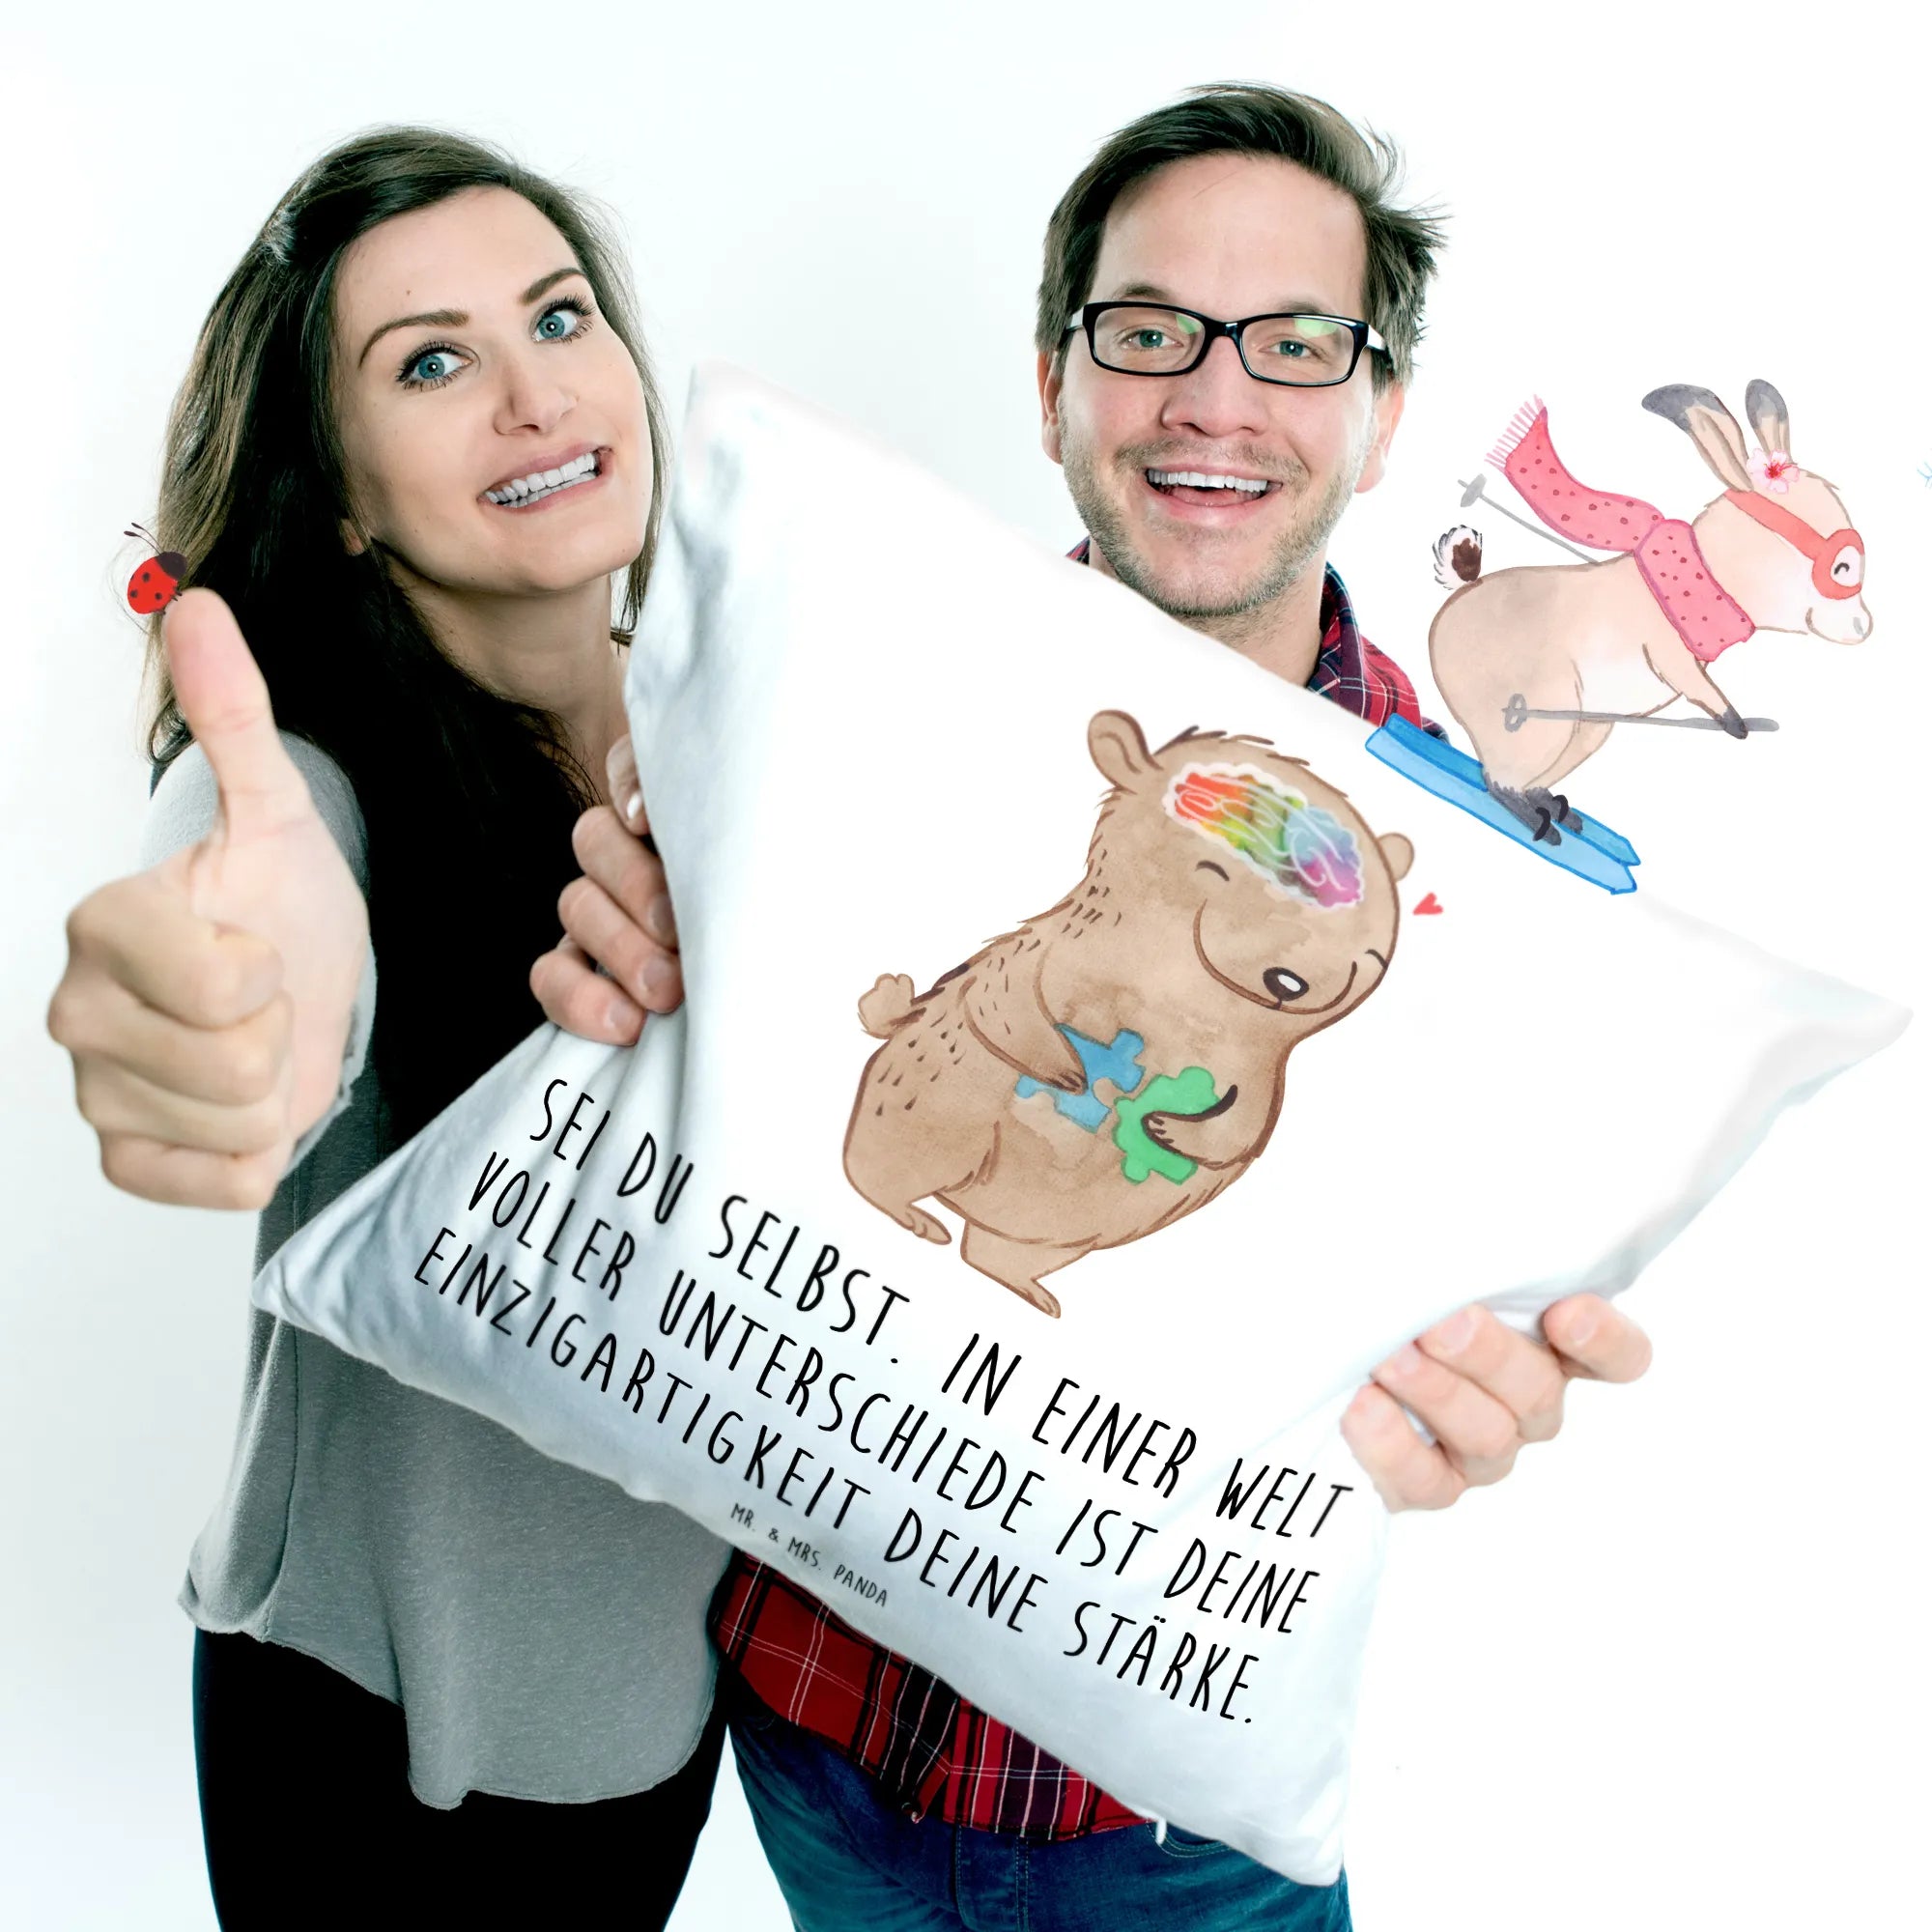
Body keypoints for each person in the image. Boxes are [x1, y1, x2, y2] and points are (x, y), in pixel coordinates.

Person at [533, 84, 1655, 1930]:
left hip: (1180, 1828)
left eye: (1296, 343)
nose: (1216, 398)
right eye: (1150, 333)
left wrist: (1478, 1377)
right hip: (808, 1740)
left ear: (1380, 418)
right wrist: (624, 973)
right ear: (1054, 383)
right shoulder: (838, 702)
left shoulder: (1484, 891)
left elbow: (1448, 1306)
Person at [45, 130, 724, 1928]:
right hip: (378, 1737)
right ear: (342, 496)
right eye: (430, 363)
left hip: (662, 1708)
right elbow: (252, 898)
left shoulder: (730, 742)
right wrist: (222, 999)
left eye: (558, 318)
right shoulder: (308, 782)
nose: (533, 395)